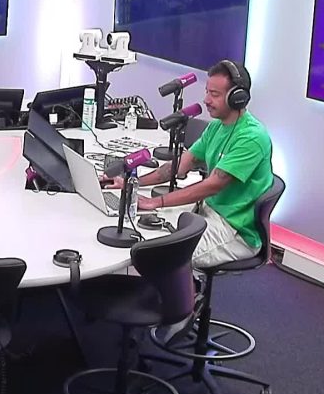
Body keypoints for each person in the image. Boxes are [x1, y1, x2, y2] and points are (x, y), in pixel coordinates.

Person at [104, 59, 273, 342]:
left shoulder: (252, 138)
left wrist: (157, 203)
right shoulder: (217, 127)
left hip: (235, 230)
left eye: (214, 94)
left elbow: (212, 185)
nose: (206, 100)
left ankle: (182, 311)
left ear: (237, 97)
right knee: (148, 237)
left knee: (166, 255)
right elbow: (179, 166)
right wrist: (131, 183)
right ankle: (171, 295)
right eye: (207, 92)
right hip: (207, 212)